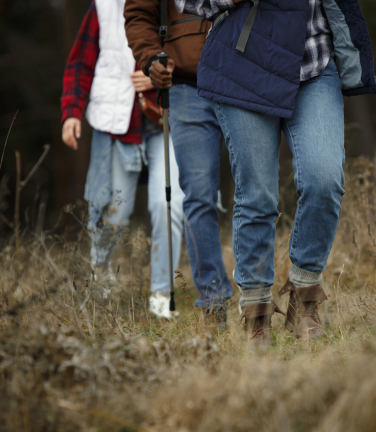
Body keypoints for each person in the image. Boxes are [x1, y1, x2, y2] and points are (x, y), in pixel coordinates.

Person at [175, 0, 376, 346]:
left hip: (314, 61)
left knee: (324, 179)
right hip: (243, 64)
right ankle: (255, 311)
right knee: (257, 195)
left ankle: (305, 293)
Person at [60, 0, 185, 319]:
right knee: (111, 211)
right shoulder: (102, 7)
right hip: (113, 124)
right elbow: (80, 64)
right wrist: (72, 112)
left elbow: (195, 53)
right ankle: (101, 288)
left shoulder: (177, 3)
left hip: (166, 122)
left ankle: (161, 296)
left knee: (168, 205)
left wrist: (162, 74)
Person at [124, 0, 234, 329]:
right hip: (186, 84)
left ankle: (257, 295)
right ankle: (214, 304)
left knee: (253, 190)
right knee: (198, 195)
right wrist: (150, 58)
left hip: (243, 77)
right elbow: (139, 15)